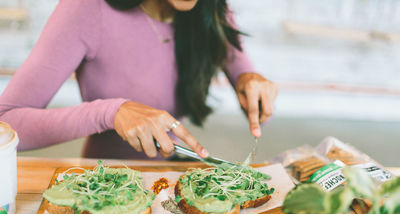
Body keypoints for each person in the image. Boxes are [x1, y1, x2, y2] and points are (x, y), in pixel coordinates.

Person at [0, 0, 278, 159]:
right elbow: (6, 121)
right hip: (105, 186)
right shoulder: (86, 8)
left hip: (172, 185)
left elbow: (241, 69)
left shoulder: (210, 8)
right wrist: (109, 112)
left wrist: (249, 80)